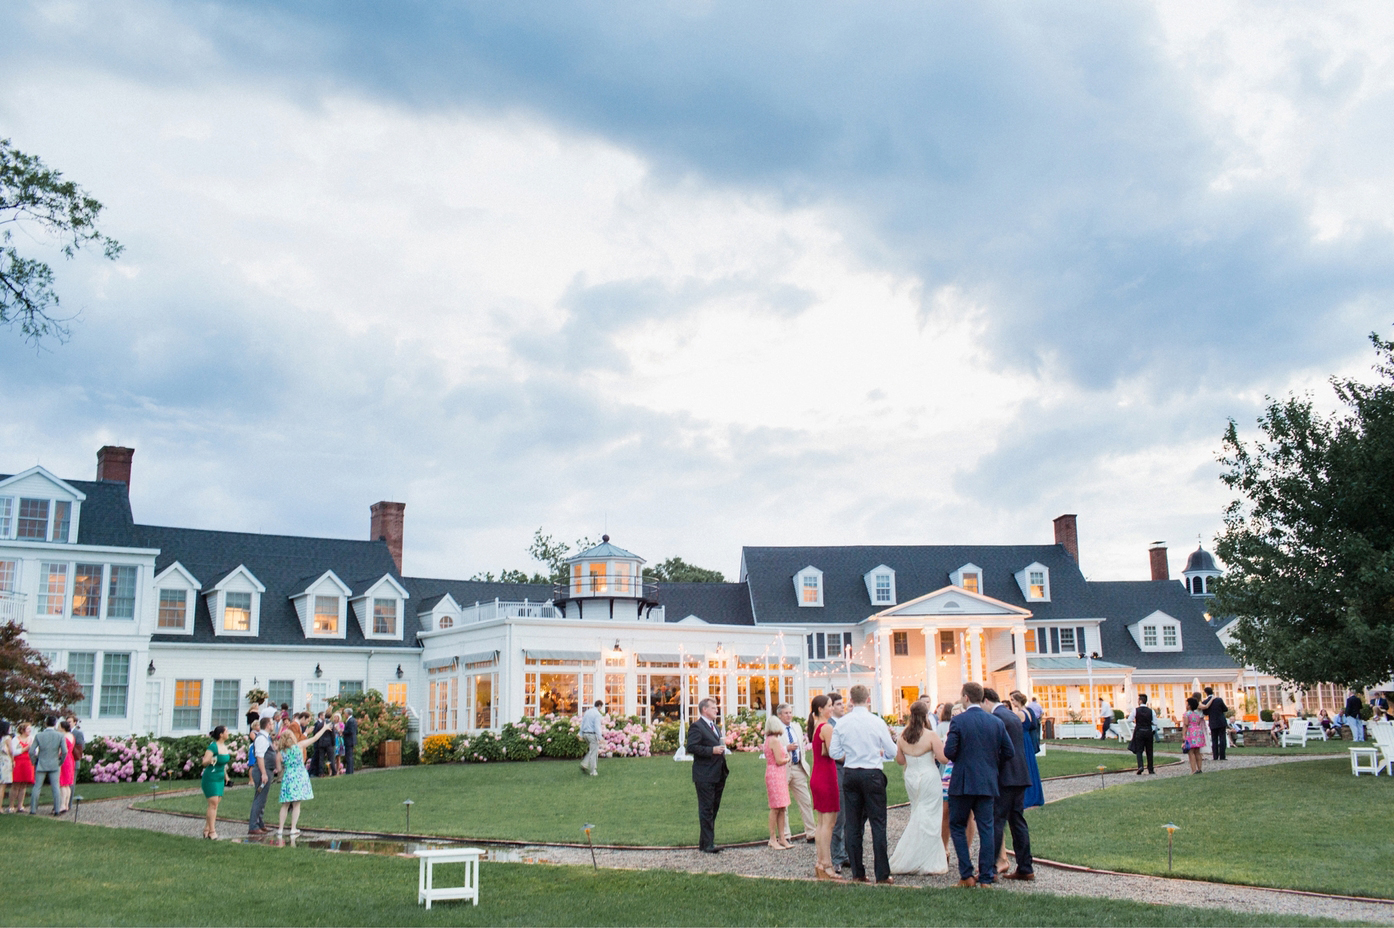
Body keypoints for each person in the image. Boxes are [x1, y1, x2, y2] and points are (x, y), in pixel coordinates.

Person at [944, 681, 1013, 888]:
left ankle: (966, 874)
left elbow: (949, 752)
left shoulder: (958, 721)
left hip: (963, 782)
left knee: (957, 825)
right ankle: (985, 877)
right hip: (986, 781)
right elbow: (1009, 752)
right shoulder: (995, 722)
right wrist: (991, 763)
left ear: (965, 697)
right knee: (987, 828)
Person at [829, 684, 898, 885]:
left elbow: (834, 753)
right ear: (868, 699)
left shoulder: (842, 723)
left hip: (851, 773)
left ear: (851, 700)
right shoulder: (876, 722)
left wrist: (850, 756)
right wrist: (878, 753)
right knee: (878, 824)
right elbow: (892, 751)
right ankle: (882, 874)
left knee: (853, 824)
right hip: (872, 773)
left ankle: (858, 872)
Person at [889, 700, 949, 875]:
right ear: (925, 715)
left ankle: (916, 855)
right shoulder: (930, 735)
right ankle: (927, 858)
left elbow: (900, 760)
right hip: (929, 775)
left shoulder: (902, 736)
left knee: (918, 811)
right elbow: (943, 758)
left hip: (911, 776)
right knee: (930, 814)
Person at [985, 688, 1034, 881]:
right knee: (1017, 821)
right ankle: (1025, 866)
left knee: (997, 821)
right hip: (1020, 774)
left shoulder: (997, 718)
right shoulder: (1012, 715)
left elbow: (998, 750)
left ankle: (990, 868)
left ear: (986, 701)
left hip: (1004, 776)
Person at [806, 695, 843, 881]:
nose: (831, 709)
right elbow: (835, 753)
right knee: (828, 824)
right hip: (826, 777)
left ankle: (821, 862)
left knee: (822, 823)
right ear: (820, 709)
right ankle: (826, 864)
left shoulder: (815, 727)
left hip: (818, 775)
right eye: (829, 706)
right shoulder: (826, 727)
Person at [686, 697, 729, 854]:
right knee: (706, 809)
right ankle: (708, 844)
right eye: (713, 708)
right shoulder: (697, 727)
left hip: (718, 772)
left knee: (713, 807)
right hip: (705, 774)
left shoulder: (714, 727)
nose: (716, 710)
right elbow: (692, 747)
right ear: (704, 709)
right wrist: (711, 750)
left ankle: (705, 842)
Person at [276, 722, 332, 837]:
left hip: (288, 776)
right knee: (296, 804)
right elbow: (315, 738)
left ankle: (280, 829)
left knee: (285, 804)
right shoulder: (299, 746)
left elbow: (278, 768)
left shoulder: (280, 753)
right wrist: (325, 728)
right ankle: (293, 828)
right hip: (299, 776)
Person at [776, 703, 815, 844]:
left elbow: (802, 747)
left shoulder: (796, 727)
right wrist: (786, 748)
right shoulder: (776, 729)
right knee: (783, 803)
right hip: (783, 768)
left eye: (790, 712)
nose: (789, 715)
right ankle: (785, 835)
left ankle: (811, 832)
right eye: (785, 713)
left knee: (805, 800)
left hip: (798, 767)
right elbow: (770, 748)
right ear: (779, 715)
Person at [826, 692, 849, 873]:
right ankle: (836, 856)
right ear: (831, 706)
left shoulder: (846, 722)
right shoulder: (829, 726)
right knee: (839, 816)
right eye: (839, 704)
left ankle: (846, 853)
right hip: (837, 770)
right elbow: (833, 751)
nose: (843, 706)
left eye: (843, 703)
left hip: (850, 771)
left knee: (849, 814)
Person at [762, 713, 793, 850]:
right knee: (775, 807)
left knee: (782, 806)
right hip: (775, 773)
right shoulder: (773, 740)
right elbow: (779, 760)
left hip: (778, 774)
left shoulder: (771, 739)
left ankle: (782, 838)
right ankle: (773, 838)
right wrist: (787, 758)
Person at [1010, 692, 1044, 808]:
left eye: (1013, 700)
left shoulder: (1020, 713)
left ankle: (1027, 797)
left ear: (1018, 701)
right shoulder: (1028, 712)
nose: (1012, 703)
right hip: (1027, 739)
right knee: (1031, 765)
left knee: (1026, 766)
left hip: (1022, 739)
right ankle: (1035, 795)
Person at [248, 718, 281, 836]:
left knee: (263, 798)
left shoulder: (266, 737)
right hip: (263, 771)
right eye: (272, 723)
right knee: (259, 797)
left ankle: (260, 822)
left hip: (268, 770)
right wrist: (263, 773)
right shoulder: (261, 738)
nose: (273, 725)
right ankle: (253, 825)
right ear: (267, 725)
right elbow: (260, 756)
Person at [29, 715, 67, 816]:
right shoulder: (60, 736)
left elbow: (31, 751)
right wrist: (60, 761)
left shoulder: (39, 735)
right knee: (55, 787)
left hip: (41, 763)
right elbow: (65, 752)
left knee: (37, 787)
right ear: (55, 724)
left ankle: (33, 809)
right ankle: (57, 810)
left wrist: (34, 761)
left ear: (46, 723)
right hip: (54, 763)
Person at [201, 725, 232, 839]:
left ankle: (207, 829)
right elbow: (204, 762)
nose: (228, 733)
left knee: (215, 803)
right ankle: (212, 832)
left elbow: (223, 765)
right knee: (213, 803)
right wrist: (212, 759)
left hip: (219, 777)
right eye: (227, 731)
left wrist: (226, 776)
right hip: (211, 777)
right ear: (221, 734)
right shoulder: (213, 747)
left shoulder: (224, 746)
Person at [8, 722, 34, 813]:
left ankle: (20, 805)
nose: (30, 731)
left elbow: (36, 751)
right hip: (18, 762)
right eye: (28, 729)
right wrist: (24, 749)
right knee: (16, 784)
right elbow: (13, 752)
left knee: (24, 785)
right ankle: (11, 806)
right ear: (22, 730)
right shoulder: (16, 739)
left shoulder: (31, 739)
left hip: (28, 762)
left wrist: (32, 750)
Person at [1128, 693, 1156, 775]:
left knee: (1139, 750)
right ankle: (1150, 769)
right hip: (1148, 731)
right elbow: (1155, 723)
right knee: (1149, 751)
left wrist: (1135, 725)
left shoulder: (1135, 710)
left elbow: (1129, 720)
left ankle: (1140, 766)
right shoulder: (1151, 711)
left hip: (1139, 731)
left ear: (1140, 701)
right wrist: (1152, 730)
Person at [1200, 687, 1228, 760]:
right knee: (1222, 738)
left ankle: (1215, 756)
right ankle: (1222, 756)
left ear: (1206, 693)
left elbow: (1205, 712)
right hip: (1221, 721)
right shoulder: (1219, 700)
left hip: (1213, 722)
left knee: (1214, 739)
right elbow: (1225, 709)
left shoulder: (1205, 702)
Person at [1182, 695, 1206, 774]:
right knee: (1197, 752)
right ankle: (1199, 768)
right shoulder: (1197, 714)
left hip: (1190, 732)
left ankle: (1193, 770)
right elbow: (1198, 722)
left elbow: (1186, 724)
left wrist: (1183, 735)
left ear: (1189, 705)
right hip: (1198, 732)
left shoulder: (1186, 714)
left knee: (1191, 752)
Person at [579, 699, 603, 776]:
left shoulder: (587, 712)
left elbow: (583, 723)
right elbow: (597, 727)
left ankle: (585, 763)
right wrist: (600, 737)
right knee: (594, 753)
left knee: (592, 750)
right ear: (599, 706)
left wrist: (581, 734)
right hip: (592, 734)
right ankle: (593, 771)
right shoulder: (597, 714)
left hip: (585, 734)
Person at [57, 719, 77, 813]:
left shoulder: (63, 737)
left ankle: (62, 805)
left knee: (63, 783)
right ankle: (66, 804)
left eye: (59, 727)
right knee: (67, 784)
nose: (57, 728)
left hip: (64, 760)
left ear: (62, 728)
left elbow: (61, 750)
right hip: (70, 758)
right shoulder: (71, 736)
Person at [0, 722, 12, 813]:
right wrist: (13, 760)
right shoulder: (7, 738)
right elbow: (11, 751)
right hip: (5, 761)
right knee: (2, 786)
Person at [342, 708, 358, 775]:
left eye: (345, 713)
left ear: (347, 714)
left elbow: (350, 731)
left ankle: (349, 771)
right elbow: (356, 731)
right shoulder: (353, 720)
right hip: (351, 740)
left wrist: (343, 732)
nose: (344, 714)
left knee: (349, 756)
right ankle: (350, 770)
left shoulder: (350, 721)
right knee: (349, 756)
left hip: (349, 740)